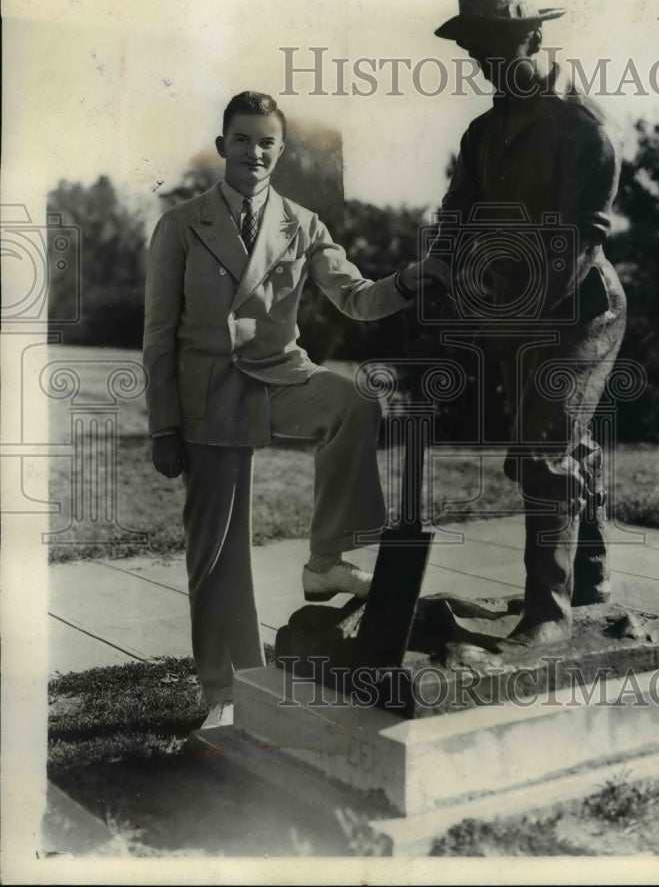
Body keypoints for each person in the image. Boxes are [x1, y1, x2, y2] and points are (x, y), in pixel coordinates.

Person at [143, 91, 449, 727]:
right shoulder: (181, 225)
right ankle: (225, 692)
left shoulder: (303, 224)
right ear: (222, 144)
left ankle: (326, 562)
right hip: (207, 395)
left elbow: (356, 297)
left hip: (282, 375)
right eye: (243, 139)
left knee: (351, 402)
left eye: (267, 142)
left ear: (279, 152)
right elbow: (157, 336)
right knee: (217, 550)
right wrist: (164, 426)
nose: (255, 151)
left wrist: (409, 281)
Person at [427, 0, 627, 647]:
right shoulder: (483, 134)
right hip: (514, 307)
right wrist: (446, 278)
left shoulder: (584, 127)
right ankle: (590, 581)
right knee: (551, 445)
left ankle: (548, 611)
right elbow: (459, 219)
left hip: (581, 309)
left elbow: (578, 241)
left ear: (533, 37)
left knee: (544, 447)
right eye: (473, 50)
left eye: (494, 47)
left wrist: (512, 319)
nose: (482, 62)